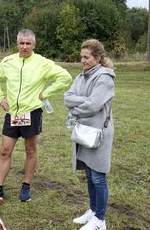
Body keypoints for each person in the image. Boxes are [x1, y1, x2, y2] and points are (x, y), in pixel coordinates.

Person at [0, 29, 72, 202]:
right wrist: (0, 97)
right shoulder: (8, 61)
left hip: (32, 112)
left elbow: (65, 77)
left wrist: (46, 93)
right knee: (5, 150)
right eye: (22, 43)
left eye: (28, 43)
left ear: (34, 45)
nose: (25, 47)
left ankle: (26, 186)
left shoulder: (42, 63)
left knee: (30, 150)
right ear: (17, 44)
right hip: (13, 113)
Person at [64, 39, 115, 230]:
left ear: (98, 58)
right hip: (84, 131)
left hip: (99, 133)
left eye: (86, 57)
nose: (83, 61)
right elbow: (67, 98)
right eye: (81, 57)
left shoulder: (104, 78)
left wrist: (75, 109)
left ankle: (100, 220)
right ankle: (93, 211)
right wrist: (84, 101)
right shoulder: (80, 76)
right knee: (89, 173)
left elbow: (94, 105)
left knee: (98, 176)